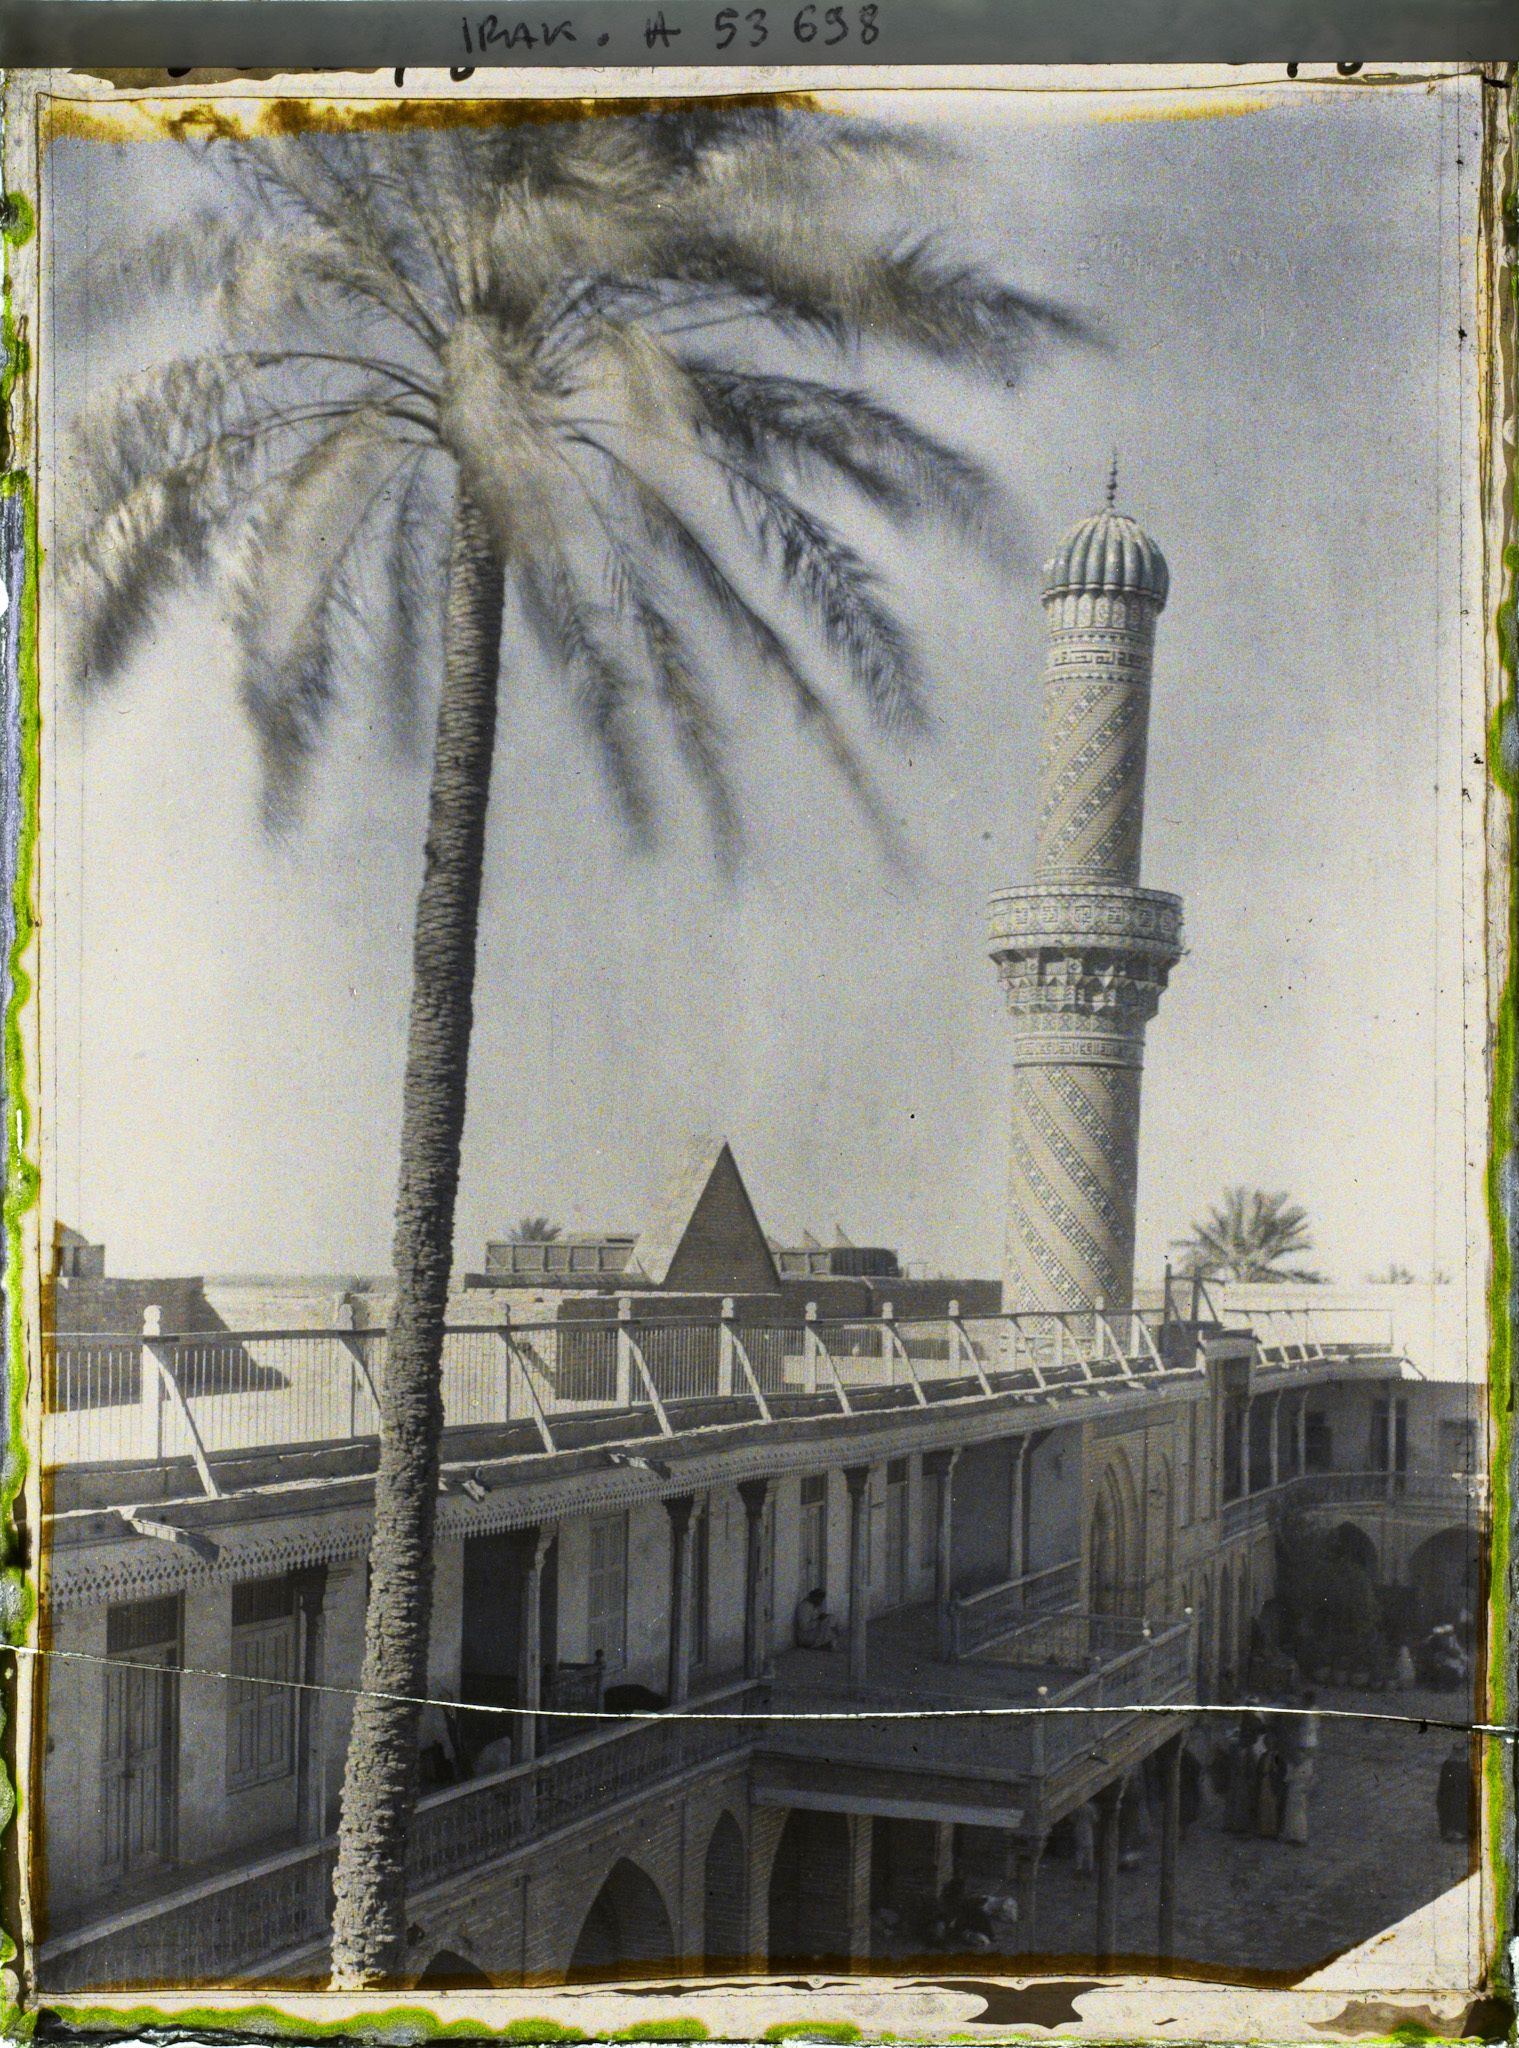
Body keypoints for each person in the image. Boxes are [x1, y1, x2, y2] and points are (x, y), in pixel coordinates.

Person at [1437, 1739, 1472, 1843]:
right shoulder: (1451, 1765)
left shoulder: (1450, 1764)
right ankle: (1454, 1832)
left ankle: (1456, 1832)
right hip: (1452, 1797)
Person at [795, 1586, 843, 1650]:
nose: (821, 1602)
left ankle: (829, 1643)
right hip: (805, 1636)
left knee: (832, 1618)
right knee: (829, 1621)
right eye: (820, 1599)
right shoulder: (804, 1607)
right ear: (814, 1598)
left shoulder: (814, 1606)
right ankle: (822, 1644)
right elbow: (804, 1627)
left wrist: (821, 1618)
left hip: (813, 1632)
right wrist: (819, 1620)